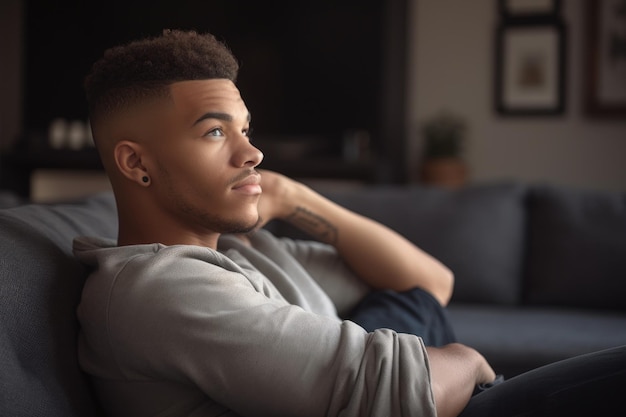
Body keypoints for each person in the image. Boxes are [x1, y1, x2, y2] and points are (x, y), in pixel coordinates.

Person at [74, 29, 626, 417]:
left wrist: (291, 197)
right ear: (136, 163)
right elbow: (398, 395)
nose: (252, 153)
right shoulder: (157, 288)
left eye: (246, 130)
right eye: (216, 132)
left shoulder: (248, 252)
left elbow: (430, 284)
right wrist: (467, 359)